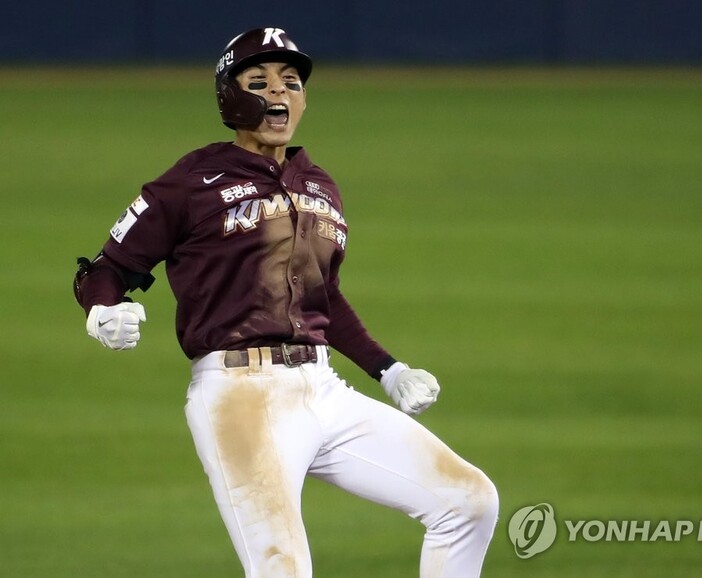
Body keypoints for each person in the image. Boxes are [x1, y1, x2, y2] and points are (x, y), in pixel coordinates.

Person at [73, 27, 498, 578]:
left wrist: (387, 369)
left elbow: (325, 297)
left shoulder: (318, 184)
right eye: (260, 81)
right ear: (230, 97)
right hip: (239, 397)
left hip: (323, 390)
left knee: (468, 502)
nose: (279, 92)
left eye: (291, 82)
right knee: (282, 568)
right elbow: (107, 268)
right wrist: (102, 312)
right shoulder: (191, 180)